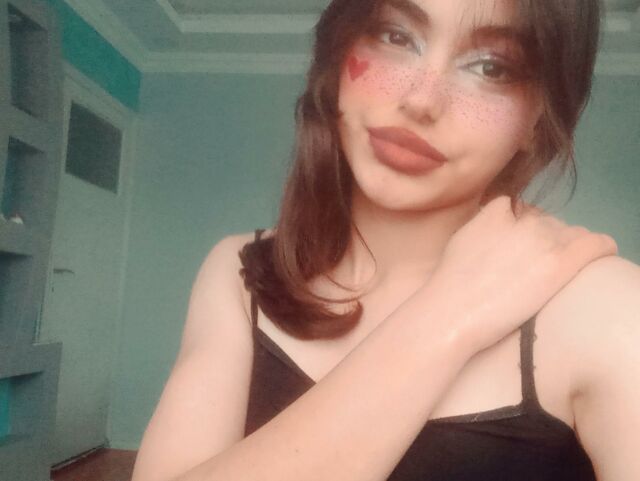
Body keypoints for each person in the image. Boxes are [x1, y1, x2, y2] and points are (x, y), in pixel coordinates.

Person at [131, 0, 640, 480]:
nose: (421, 100)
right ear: (338, 54)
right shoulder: (241, 272)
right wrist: (448, 314)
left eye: (492, 68)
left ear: (537, 120)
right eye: (396, 36)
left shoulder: (607, 308)